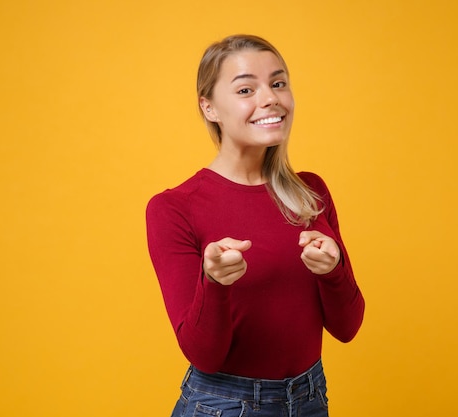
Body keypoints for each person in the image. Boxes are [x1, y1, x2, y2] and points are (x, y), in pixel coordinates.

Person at [146, 34, 365, 417]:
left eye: (278, 83)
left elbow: (347, 328)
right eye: (246, 88)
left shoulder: (311, 194)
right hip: (223, 405)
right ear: (209, 107)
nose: (270, 98)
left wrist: (334, 272)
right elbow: (204, 354)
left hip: (310, 398)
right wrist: (214, 284)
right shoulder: (174, 208)